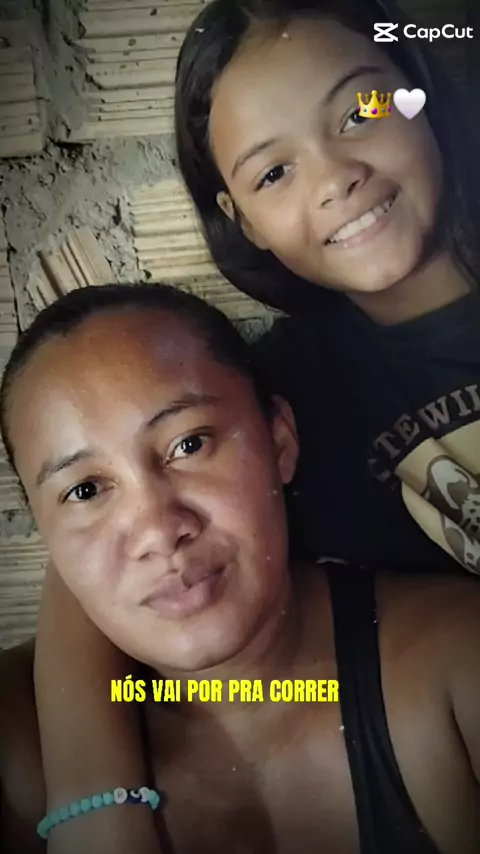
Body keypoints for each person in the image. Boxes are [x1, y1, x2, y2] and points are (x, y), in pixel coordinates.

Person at [0, 284, 479, 854]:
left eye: (189, 445)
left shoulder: (454, 670)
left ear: (280, 442)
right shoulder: (16, 742)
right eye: (84, 490)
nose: (158, 530)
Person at [173, 0, 480, 575]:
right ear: (244, 221)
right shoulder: (271, 396)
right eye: (273, 173)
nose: (335, 179)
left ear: (419, 95)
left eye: (361, 112)